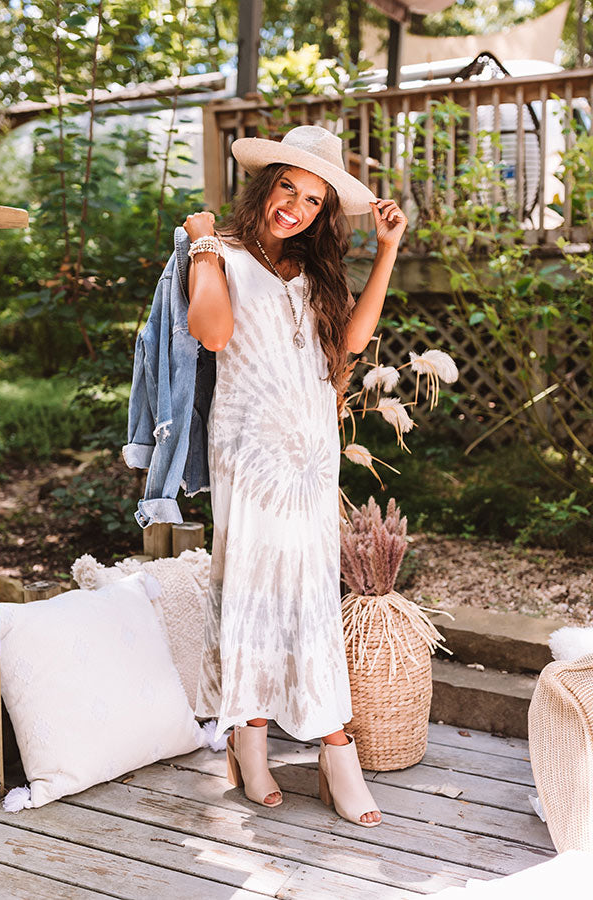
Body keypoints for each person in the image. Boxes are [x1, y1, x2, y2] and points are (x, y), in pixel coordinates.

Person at [185, 124, 407, 828]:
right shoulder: (220, 251)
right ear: (266, 184)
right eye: (288, 188)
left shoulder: (314, 271)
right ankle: (254, 739)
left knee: (311, 592)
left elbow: (350, 345)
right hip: (249, 450)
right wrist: (202, 244)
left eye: (314, 200)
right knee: (253, 585)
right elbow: (213, 333)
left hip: (310, 452)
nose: (297, 208)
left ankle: (328, 747)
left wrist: (388, 250)